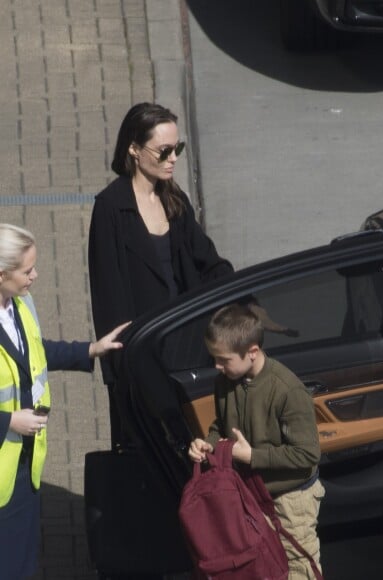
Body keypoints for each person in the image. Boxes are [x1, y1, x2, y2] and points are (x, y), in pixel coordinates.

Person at [88, 102, 233, 443]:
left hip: (186, 345)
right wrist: (121, 369)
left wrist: (240, 300)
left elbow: (208, 262)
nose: (173, 159)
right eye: (164, 150)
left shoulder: (173, 198)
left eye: (177, 149)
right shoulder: (111, 209)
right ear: (134, 150)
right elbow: (109, 295)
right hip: (142, 354)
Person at [0, 223, 128, 579]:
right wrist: (8, 422)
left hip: (21, 467)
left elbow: (36, 352)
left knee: (22, 561)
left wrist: (90, 350)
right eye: (27, 271)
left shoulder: (19, 305)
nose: (35, 276)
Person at [189, 304, 325, 579]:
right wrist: (209, 443)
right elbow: (222, 424)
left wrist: (252, 456)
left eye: (223, 359)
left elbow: (307, 454)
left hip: (290, 498)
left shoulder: (287, 390)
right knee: (260, 565)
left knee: (298, 568)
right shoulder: (225, 380)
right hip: (249, 492)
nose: (217, 366)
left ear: (252, 352)